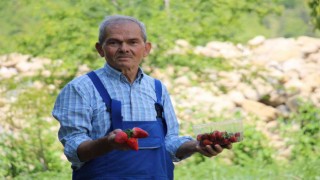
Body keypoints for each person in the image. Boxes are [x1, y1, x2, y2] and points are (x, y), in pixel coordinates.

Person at [52, 15, 231, 180]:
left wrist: (196, 145)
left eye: (133, 42)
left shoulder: (157, 89)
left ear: (146, 49)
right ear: (100, 49)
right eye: (114, 42)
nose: (124, 49)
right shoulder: (81, 88)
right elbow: (74, 149)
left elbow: (168, 143)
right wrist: (108, 143)